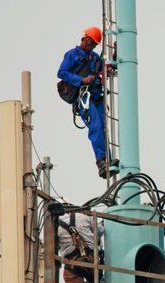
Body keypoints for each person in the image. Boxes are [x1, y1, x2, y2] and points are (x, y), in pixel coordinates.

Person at [57, 26, 118, 179]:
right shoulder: (72, 55)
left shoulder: (95, 57)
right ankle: (101, 161)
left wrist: (115, 56)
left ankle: (108, 159)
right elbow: (62, 72)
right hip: (83, 97)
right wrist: (81, 79)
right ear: (85, 38)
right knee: (96, 126)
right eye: (91, 43)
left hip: (97, 96)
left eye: (94, 45)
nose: (92, 46)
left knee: (103, 127)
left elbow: (106, 71)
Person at [57, 211, 105, 283]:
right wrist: (102, 224)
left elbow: (54, 245)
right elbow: (99, 231)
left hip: (73, 263)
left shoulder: (56, 224)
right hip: (92, 260)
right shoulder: (84, 217)